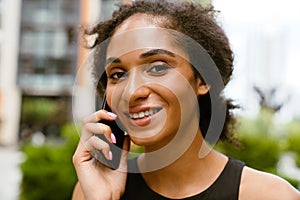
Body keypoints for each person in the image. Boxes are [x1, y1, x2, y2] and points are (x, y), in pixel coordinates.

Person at [72, 0, 300, 199]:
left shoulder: (270, 196)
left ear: (203, 79)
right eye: (118, 75)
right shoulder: (92, 189)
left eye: (158, 67)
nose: (132, 92)